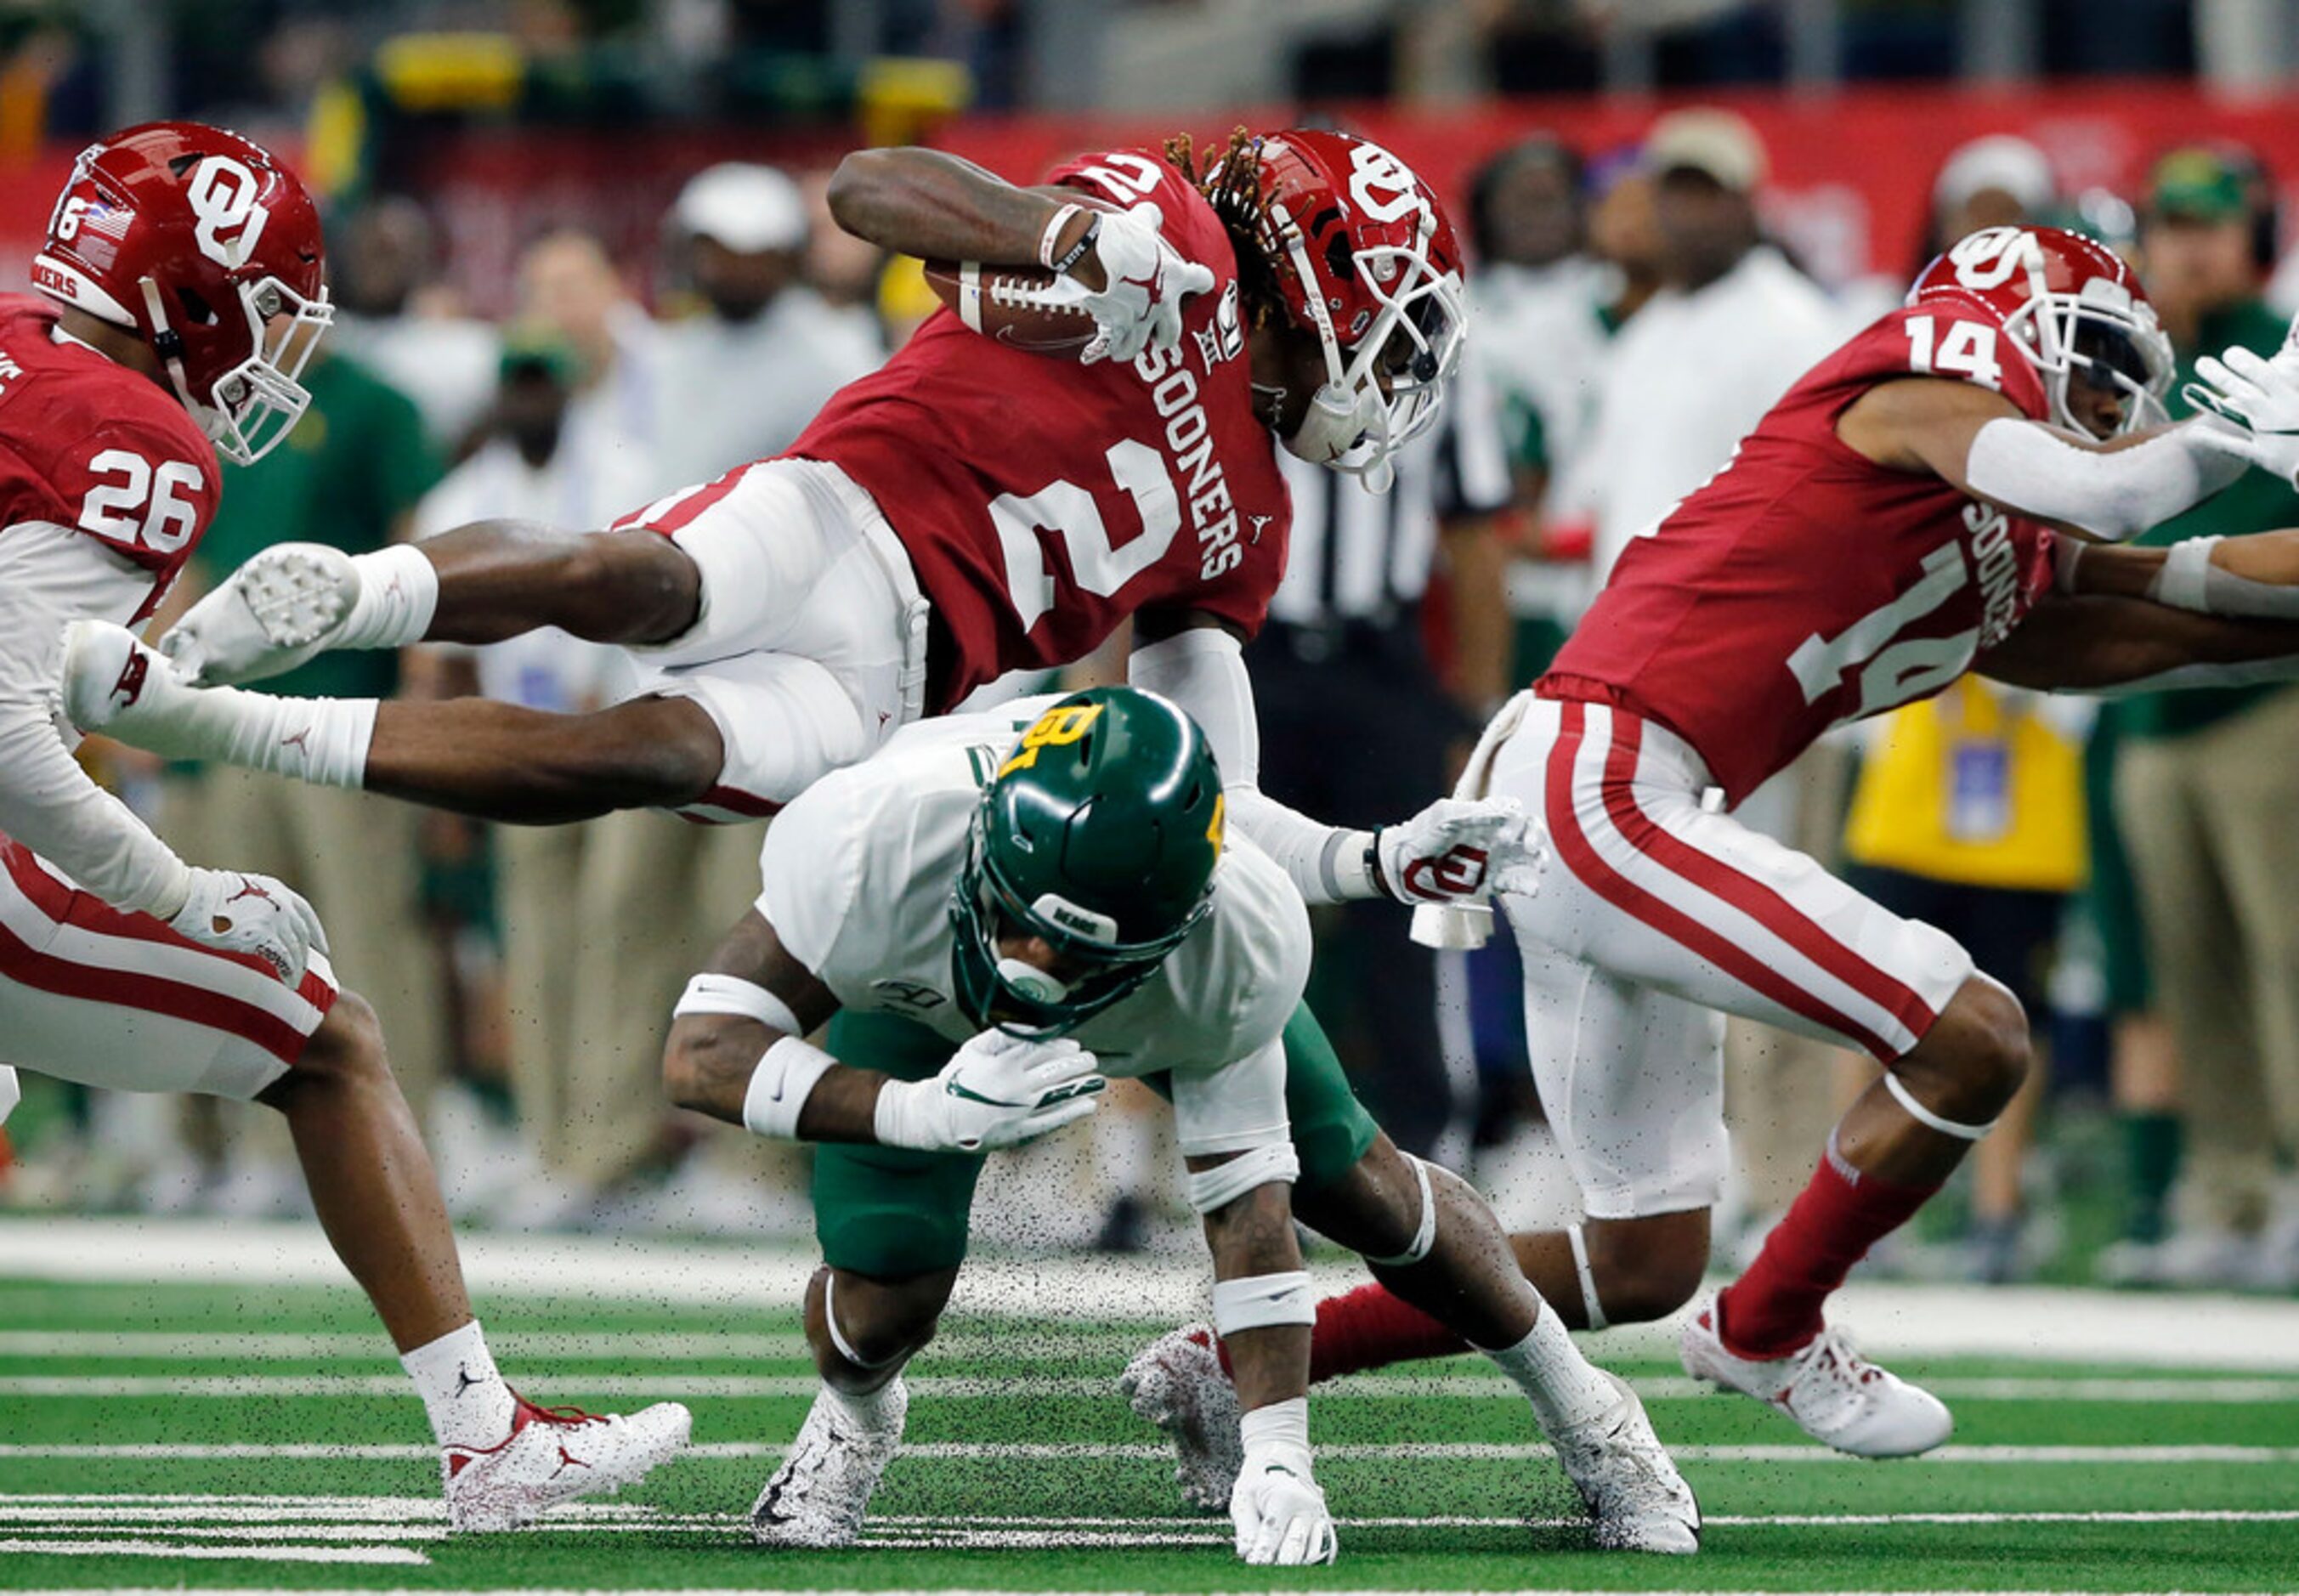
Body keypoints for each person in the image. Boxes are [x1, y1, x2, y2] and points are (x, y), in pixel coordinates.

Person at [1124, 222, 2299, 1486]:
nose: (2115, 406)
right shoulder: (1914, 383)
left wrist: (2237, 479)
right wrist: (2238, 444)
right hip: (1608, 783)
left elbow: (2190, 606)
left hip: (1595, 797)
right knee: (1974, 1031)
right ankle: (1768, 1327)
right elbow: (2118, 501)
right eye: (2098, 365)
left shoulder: (1990, 543)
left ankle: (1235, 1352)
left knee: (1638, 1260)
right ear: (2010, 321)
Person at [71, 128, 1528, 939]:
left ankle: (239, 726)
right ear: (1308, 271)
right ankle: (355, 596)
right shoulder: (1168, 230)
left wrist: (1371, 859)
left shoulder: (1254, 522)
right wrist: (1061, 236)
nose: (1394, 374)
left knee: (631, 758)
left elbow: (1215, 783)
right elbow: (870, 191)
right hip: (847, 509)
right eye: (1391, 324)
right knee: (631, 578)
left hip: (893, 679)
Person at [0, 121, 688, 1527]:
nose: (267, 345)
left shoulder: (21, 345)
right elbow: (4, 729)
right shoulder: (126, 434)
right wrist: (185, 894)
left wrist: (169, 684)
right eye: (257, 307)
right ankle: (488, 1441)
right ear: (184, 290)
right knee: (327, 1037)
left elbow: (36, 672)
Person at [656, 688, 1694, 1561]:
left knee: (1356, 1183)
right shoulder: (867, 842)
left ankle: (1595, 1419)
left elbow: (1247, 1214)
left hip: (1153, 1001)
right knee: (887, 1280)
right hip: (916, 1007)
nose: (1031, 971)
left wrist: (1281, 1451)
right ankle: (854, 1419)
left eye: (1077, 951)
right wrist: (917, 1112)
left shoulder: (1234, 939)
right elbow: (702, 1053)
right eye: (1017, 918)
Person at [2109, 144, 2299, 1288]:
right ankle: (2229, 1197)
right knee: (2193, 971)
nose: (2180, 241)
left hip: (2270, 704)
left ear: (2256, 237)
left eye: (2204, 222)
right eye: (2163, 220)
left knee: (2289, 960)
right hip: (2150, 718)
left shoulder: (2284, 355)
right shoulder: (2145, 362)